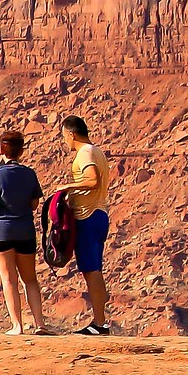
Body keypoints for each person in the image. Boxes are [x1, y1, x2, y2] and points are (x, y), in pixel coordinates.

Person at [0, 128, 45, 335]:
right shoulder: (29, 174)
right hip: (25, 231)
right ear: (21, 151)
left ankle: (17, 326)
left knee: (8, 278)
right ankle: (39, 324)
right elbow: (33, 204)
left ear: (1, 150)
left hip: (1, 231)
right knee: (29, 279)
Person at [53, 115, 115, 334]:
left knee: (92, 270)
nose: (64, 141)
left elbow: (92, 180)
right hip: (99, 214)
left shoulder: (85, 153)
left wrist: (66, 187)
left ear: (71, 134)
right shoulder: (96, 151)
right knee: (94, 269)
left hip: (88, 216)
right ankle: (100, 321)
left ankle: (99, 323)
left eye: (64, 137)